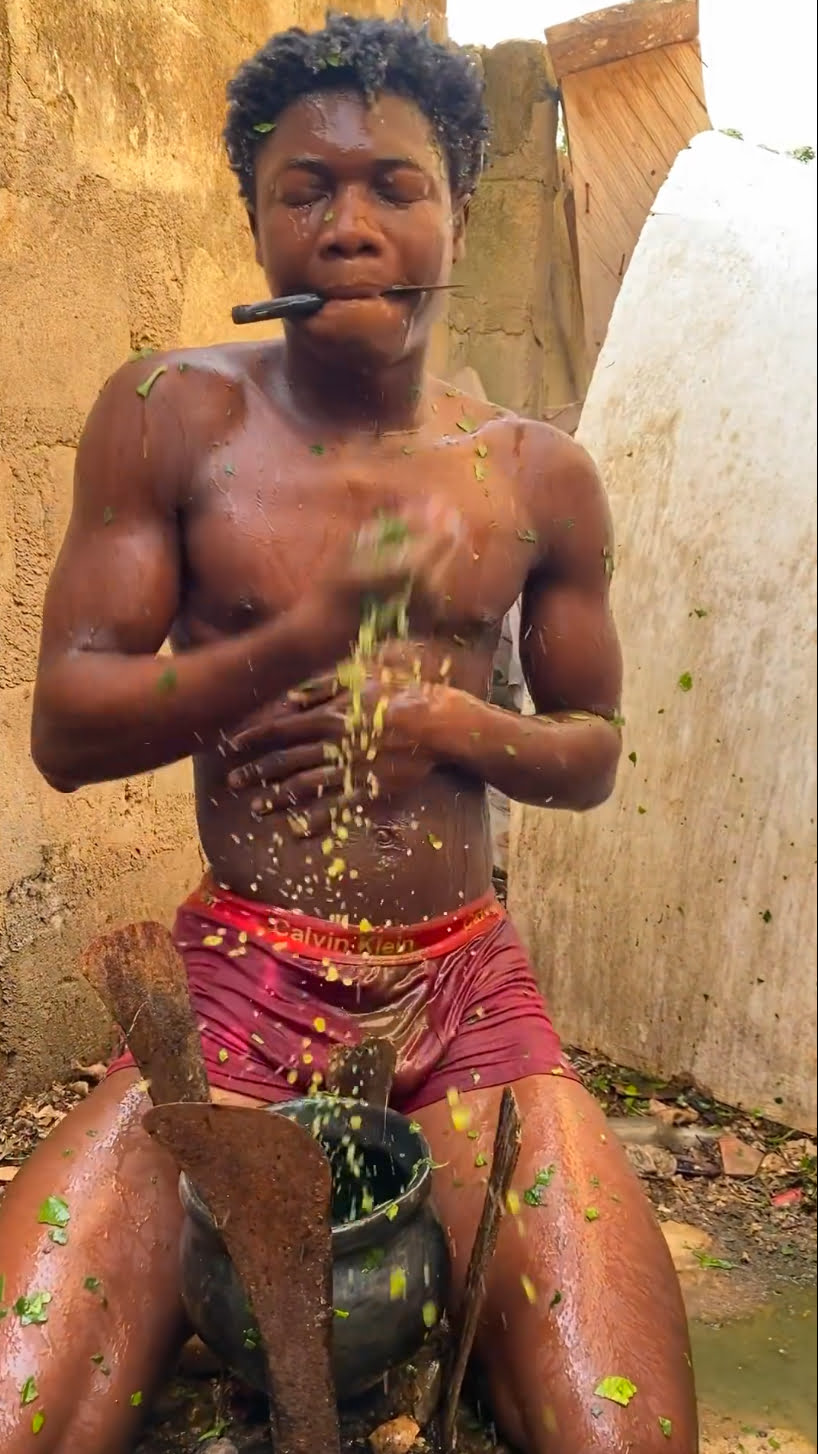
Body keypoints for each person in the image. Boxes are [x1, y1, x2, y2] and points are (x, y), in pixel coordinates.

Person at [0, 16, 697, 1453]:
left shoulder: (534, 473)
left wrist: (444, 716)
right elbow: (68, 730)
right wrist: (297, 637)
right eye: (302, 191)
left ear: (456, 206)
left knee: (615, 1426)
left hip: (464, 1000)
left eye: (394, 185)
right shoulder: (167, 415)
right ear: (254, 219)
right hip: (233, 990)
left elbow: (590, 744)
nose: (350, 227)